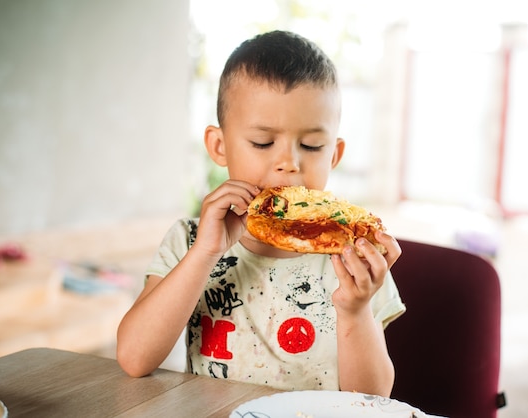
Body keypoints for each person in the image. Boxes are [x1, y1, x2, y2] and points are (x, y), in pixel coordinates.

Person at [116, 30, 405, 397]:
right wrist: (205, 254)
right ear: (219, 147)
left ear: (334, 155)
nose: (288, 163)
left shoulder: (353, 263)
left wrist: (355, 309)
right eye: (263, 142)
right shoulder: (189, 241)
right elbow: (134, 359)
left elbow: (372, 399)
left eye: (312, 145)